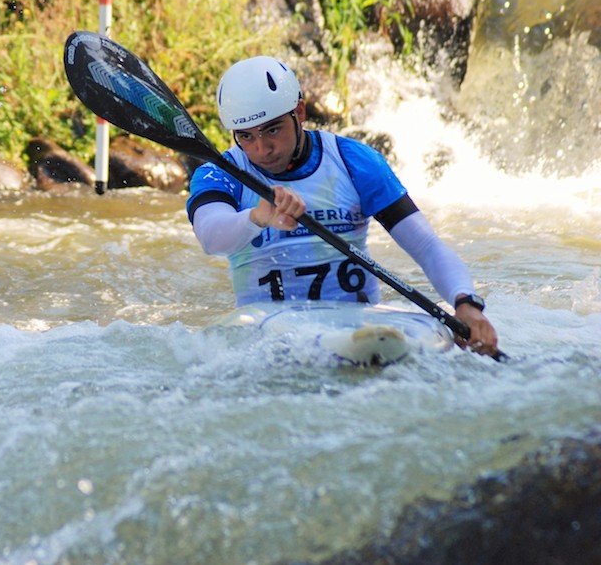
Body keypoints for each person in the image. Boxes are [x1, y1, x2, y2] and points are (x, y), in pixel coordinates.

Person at [186, 56, 499, 355]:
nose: (262, 148)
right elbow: (211, 237)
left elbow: (427, 246)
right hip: (271, 332)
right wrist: (257, 216)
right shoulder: (220, 173)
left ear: (300, 111)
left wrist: (466, 304)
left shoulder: (353, 162)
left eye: (273, 129)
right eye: (245, 136)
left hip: (360, 329)